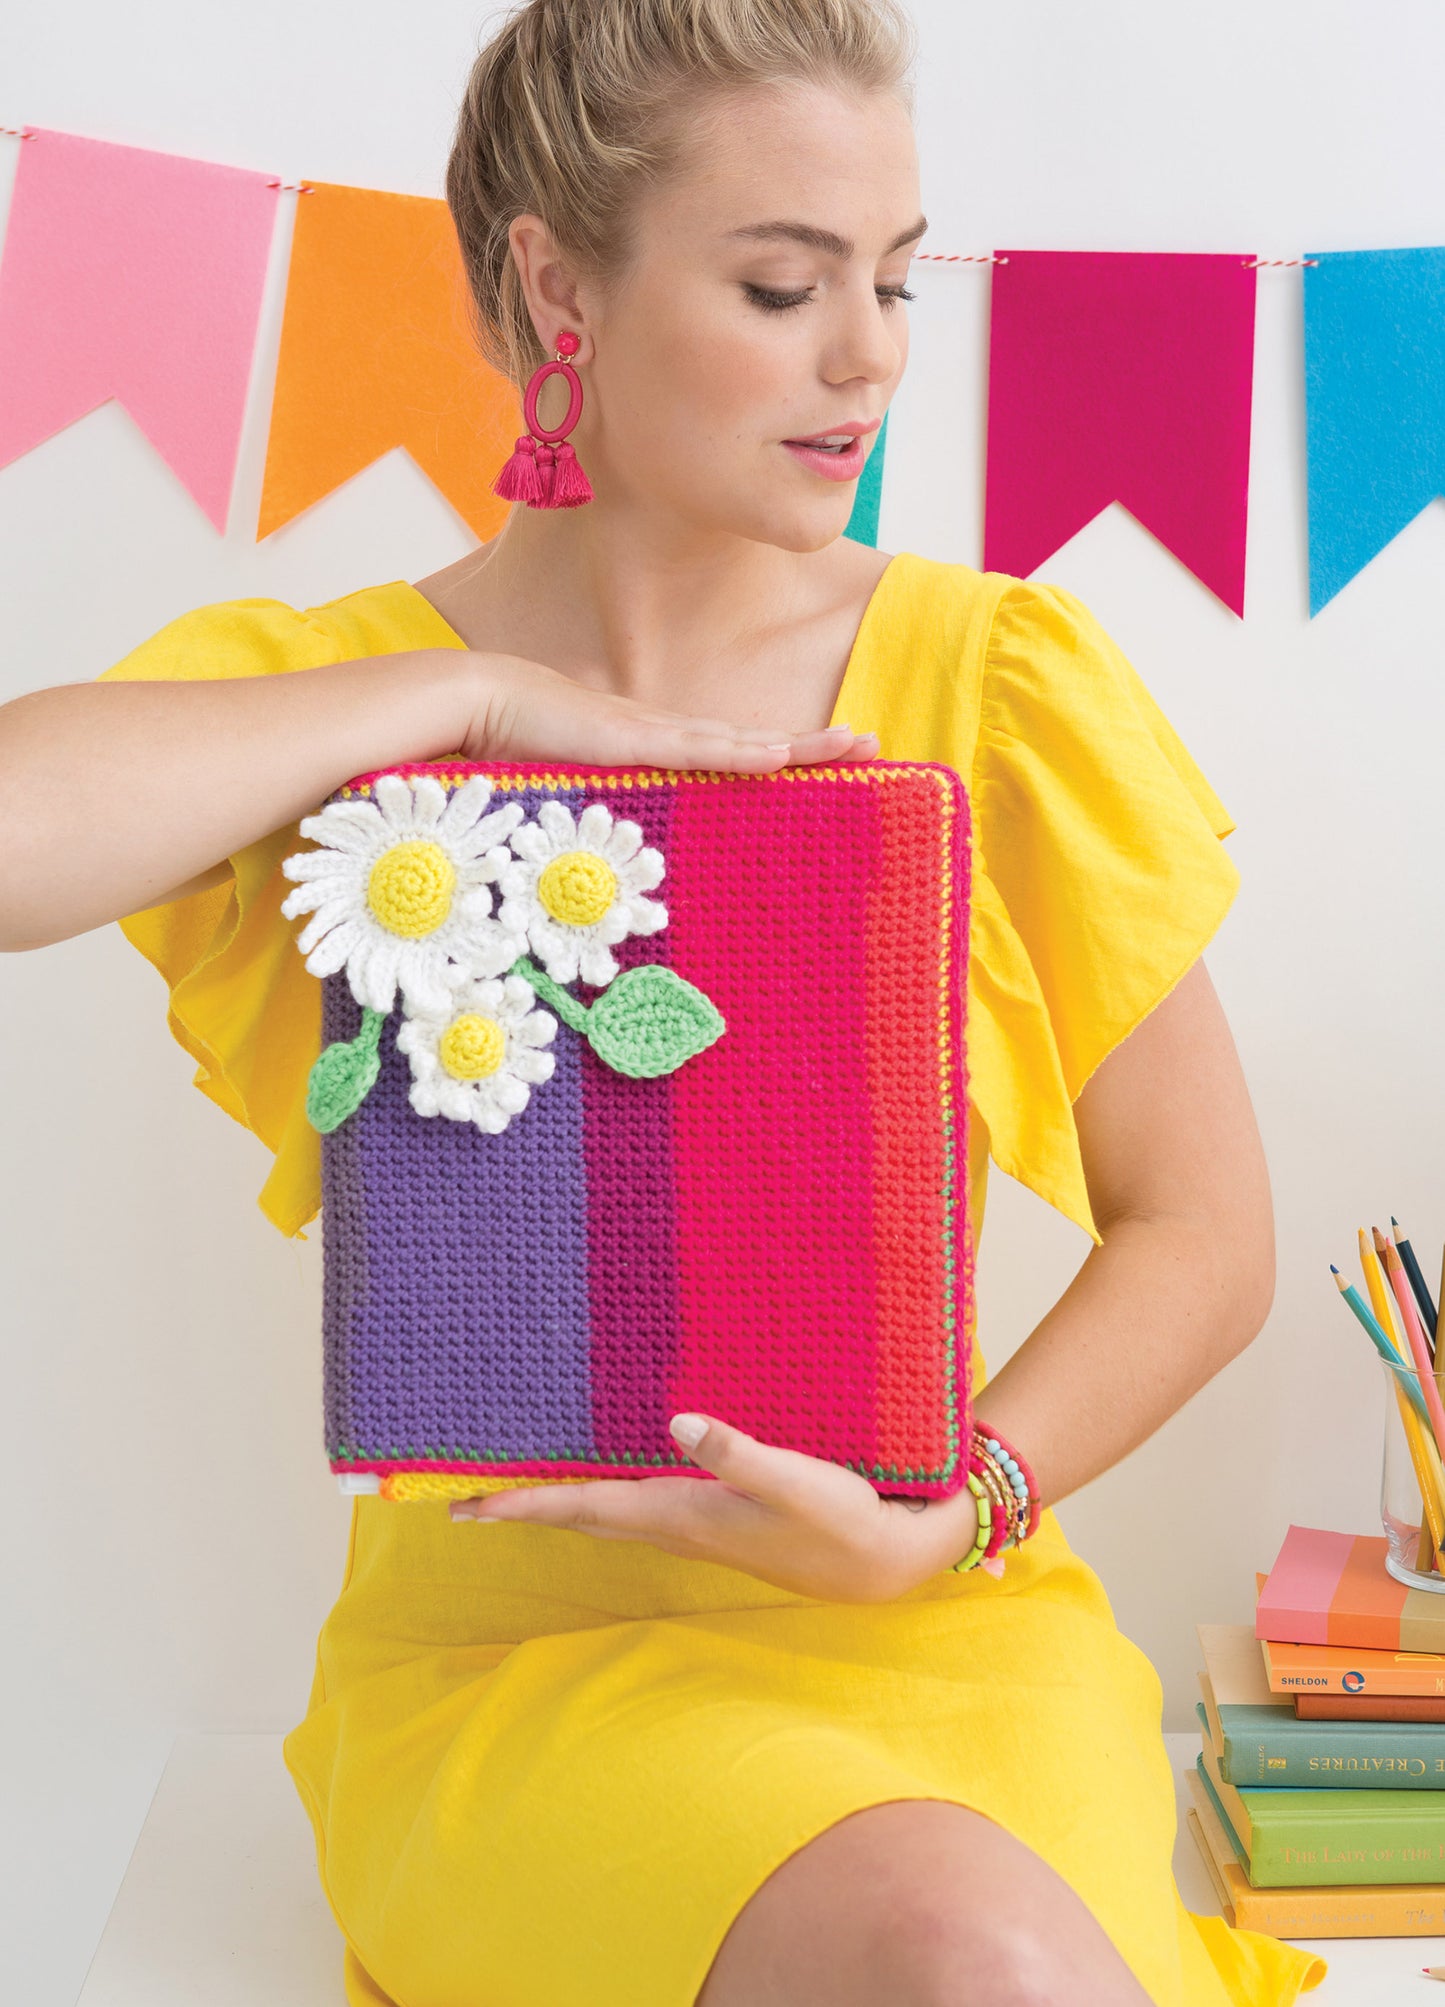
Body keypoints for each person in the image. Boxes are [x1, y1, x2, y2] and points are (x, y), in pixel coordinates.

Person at [0, 3, 1327, 2003]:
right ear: (561, 286)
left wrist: (956, 1508)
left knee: (1011, 1950)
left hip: (942, 1618)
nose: (871, 353)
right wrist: (462, 703)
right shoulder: (337, 694)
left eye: (893, 278)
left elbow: (1207, 1230)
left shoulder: (999, 675)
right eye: (784, 283)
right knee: (964, 1958)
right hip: (518, 1669)